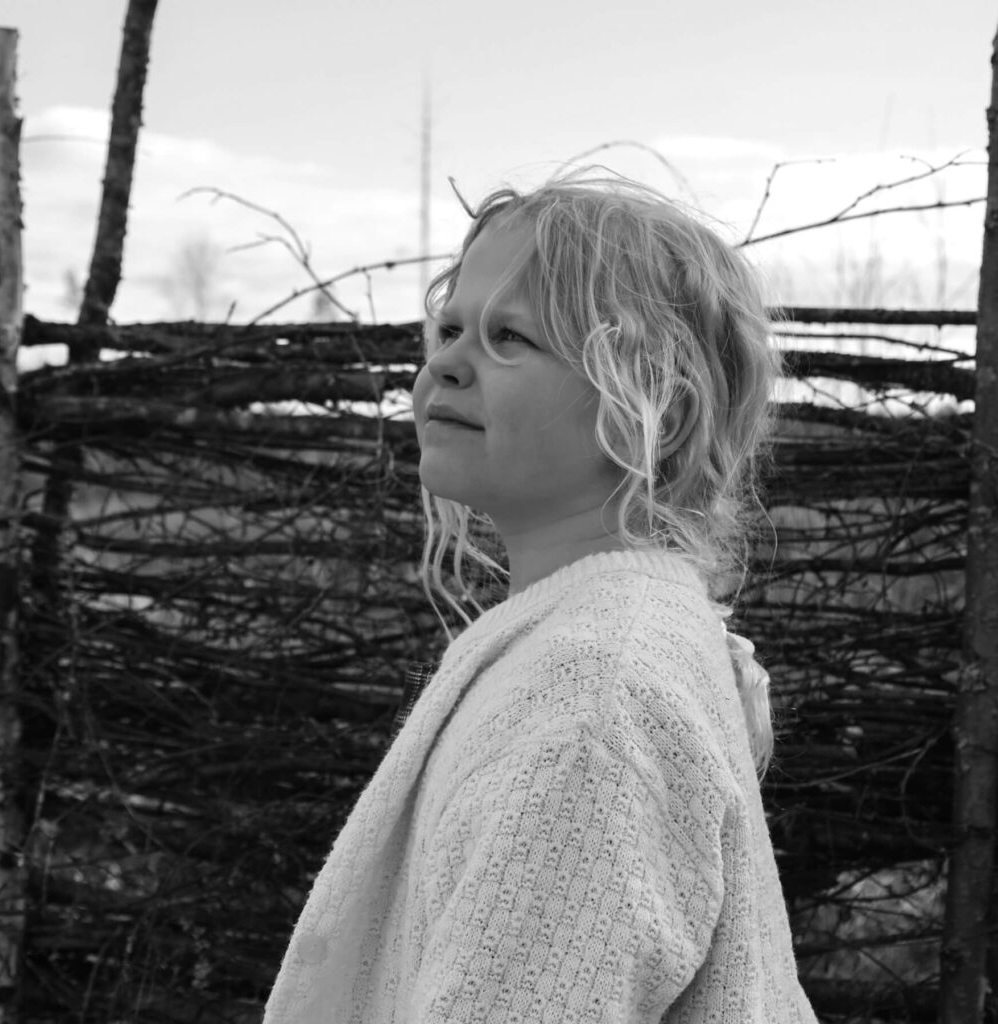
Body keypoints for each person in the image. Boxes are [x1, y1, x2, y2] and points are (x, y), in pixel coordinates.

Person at [263, 174, 819, 1023]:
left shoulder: (594, 701)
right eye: (451, 328)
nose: (445, 363)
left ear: (655, 408)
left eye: (509, 336)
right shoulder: (584, 641)